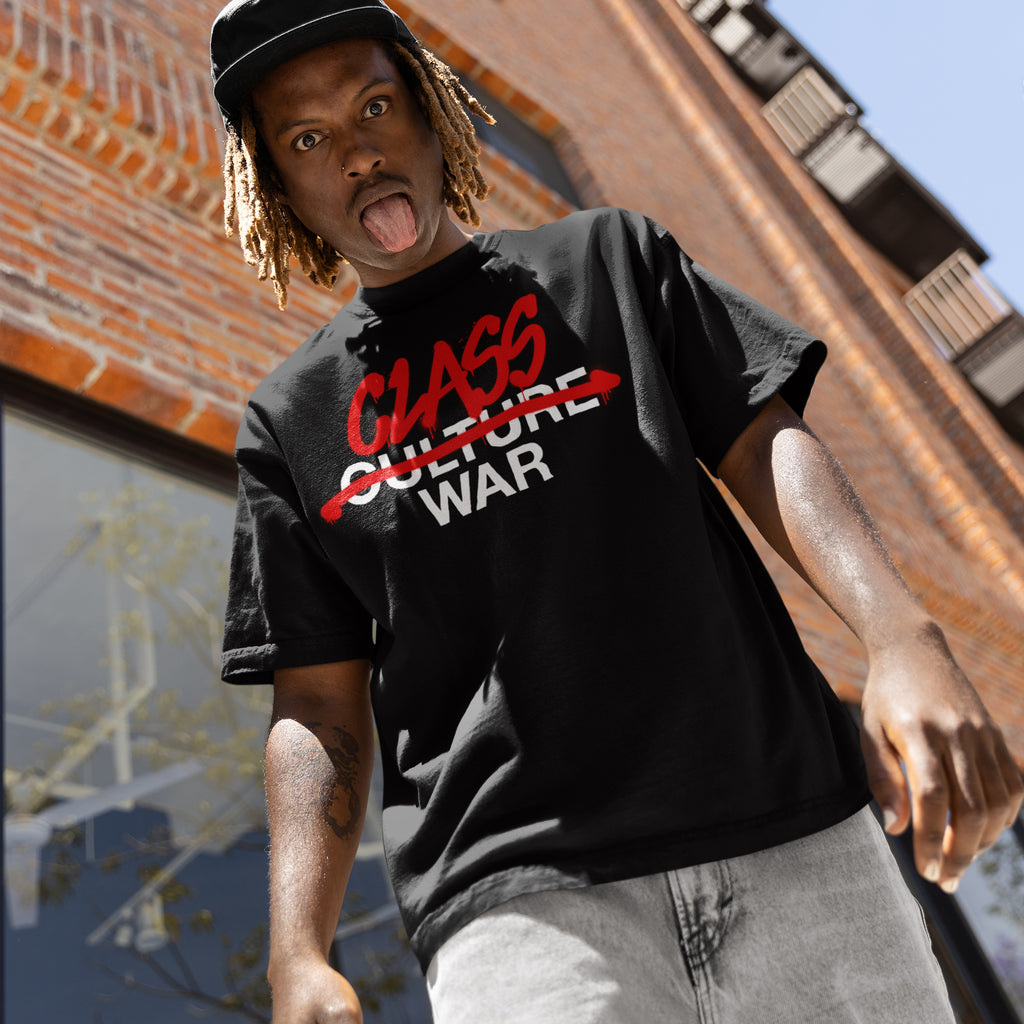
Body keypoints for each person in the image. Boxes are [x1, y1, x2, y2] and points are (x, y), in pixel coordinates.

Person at [209, 1, 1023, 1021]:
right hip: (523, 911)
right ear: (278, 185)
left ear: (431, 110)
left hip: (788, 837)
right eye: (309, 139)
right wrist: (296, 948)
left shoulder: (609, 262)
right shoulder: (290, 421)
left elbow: (763, 443)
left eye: (376, 105)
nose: (358, 154)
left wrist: (904, 636)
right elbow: (318, 707)